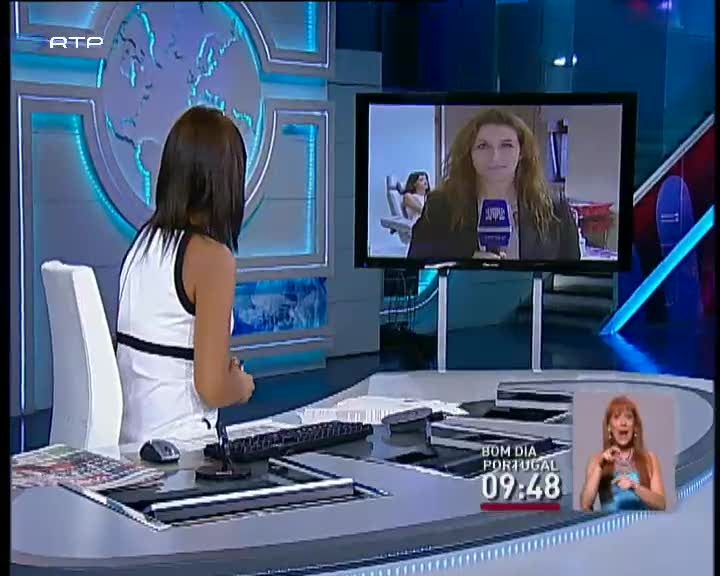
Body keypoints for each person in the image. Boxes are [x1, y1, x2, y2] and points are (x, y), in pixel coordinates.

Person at [116, 106, 256, 444]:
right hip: (182, 450)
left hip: (129, 444)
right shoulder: (213, 259)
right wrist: (241, 385)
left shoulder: (143, 244)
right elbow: (211, 388)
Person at [407, 108, 580, 261]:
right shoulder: (440, 206)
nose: (495, 157)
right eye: (483, 146)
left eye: (507, 145)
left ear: (521, 152)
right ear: (469, 153)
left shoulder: (555, 209)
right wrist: (463, 263)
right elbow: (415, 268)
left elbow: (572, 279)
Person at [579, 395, 667, 512]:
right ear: (609, 427)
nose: (623, 423)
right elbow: (585, 505)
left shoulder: (649, 459)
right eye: (616, 417)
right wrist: (600, 466)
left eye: (628, 417)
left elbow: (661, 504)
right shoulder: (597, 460)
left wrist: (635, 487)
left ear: (635, 426)